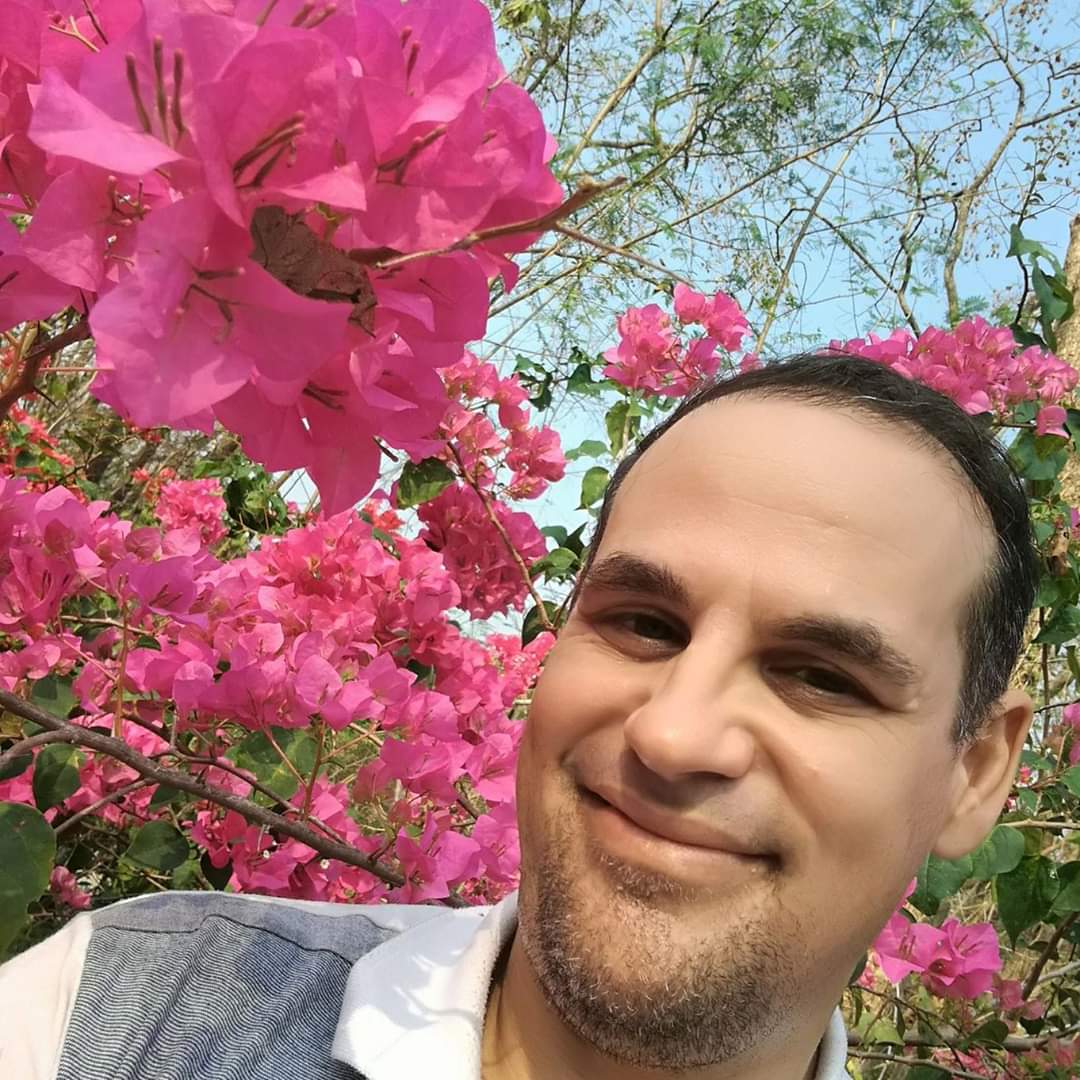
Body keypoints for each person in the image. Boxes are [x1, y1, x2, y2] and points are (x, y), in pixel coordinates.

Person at [0, 354, 1036, 1080]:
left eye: (822, 677)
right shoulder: (135, 1008)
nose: (672, 734)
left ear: (977, 774)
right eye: (642, 623)